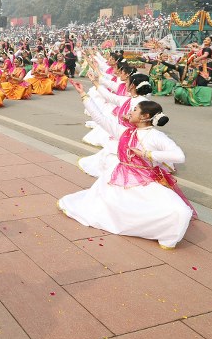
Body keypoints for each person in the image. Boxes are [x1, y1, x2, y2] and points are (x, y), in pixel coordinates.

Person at [60, 87, 195, 249]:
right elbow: (100, 118)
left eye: (135, 110)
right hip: (119, 177)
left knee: (180, 211)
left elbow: (179, 156)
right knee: (105, 206)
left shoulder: (156, 136)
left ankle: (163, 233)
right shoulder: (125, 131)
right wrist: (84, 95)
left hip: (145, 180)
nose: (130, 112)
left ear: (145, 116)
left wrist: (147, 154)